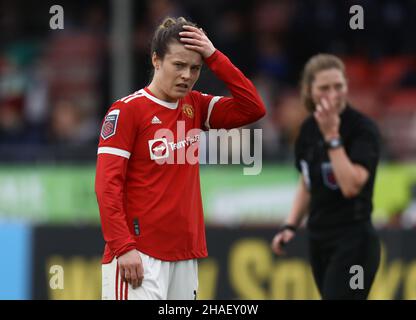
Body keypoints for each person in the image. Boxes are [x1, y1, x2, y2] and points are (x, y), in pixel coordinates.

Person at [95, 17, 266, 300]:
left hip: (184, 256)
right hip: (139, 255)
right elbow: (106, 186)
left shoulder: (195, 106)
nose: (187, 75)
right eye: (179, 65)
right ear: (156, 60)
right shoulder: (127, 111)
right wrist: (123, 248)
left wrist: (215, 57)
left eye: (195, 68)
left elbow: (253, 108)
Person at [271, 54, 381, 300]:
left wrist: (332, 137)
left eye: (338, 86)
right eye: (324, 87)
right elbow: (307, 180)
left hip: (354, 241)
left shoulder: (362, 129)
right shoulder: (308, 130)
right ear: (309, 90)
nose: (333, 93)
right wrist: (290, 224)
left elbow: (351, 185)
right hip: (319, 238)